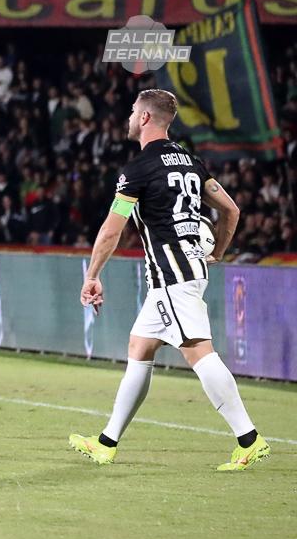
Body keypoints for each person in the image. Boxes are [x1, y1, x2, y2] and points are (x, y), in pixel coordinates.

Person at [70, 89, 270, 471]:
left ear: (145, 117)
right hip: (185, 271)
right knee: (140, 347)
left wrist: (92, 275)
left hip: (172, 276)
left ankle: (250, 439)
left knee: (198, 351)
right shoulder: (190, 161)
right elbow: (231, 209)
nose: (129, 117)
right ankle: (106, 443)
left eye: (132, 111)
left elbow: (113, 230)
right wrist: (217, 253)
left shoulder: (137, 170)